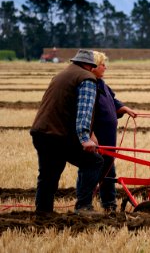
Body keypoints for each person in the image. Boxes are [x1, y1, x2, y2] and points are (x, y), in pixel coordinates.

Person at [30, 49, 104, 216]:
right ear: (89, 65)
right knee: (93, 162)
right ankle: (83, 206)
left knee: (48, 174)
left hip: (41, 132)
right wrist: (85, 138)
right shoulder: (87, 79)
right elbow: (84, 111)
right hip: (58, 135)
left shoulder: (60, 75)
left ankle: (43, 212)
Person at [90, 51, 137, 212]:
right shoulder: (89, 86)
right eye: (102, 64)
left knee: (108, 169)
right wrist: (90, 135)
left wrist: (123, 108)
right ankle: (84, 203)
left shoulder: (102, 84)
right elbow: (85, 114)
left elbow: (113, 101)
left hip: (108, 137)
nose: (105, 67)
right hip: (97, 138)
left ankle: (109, 204)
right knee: (92, 169)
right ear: (93, 67)